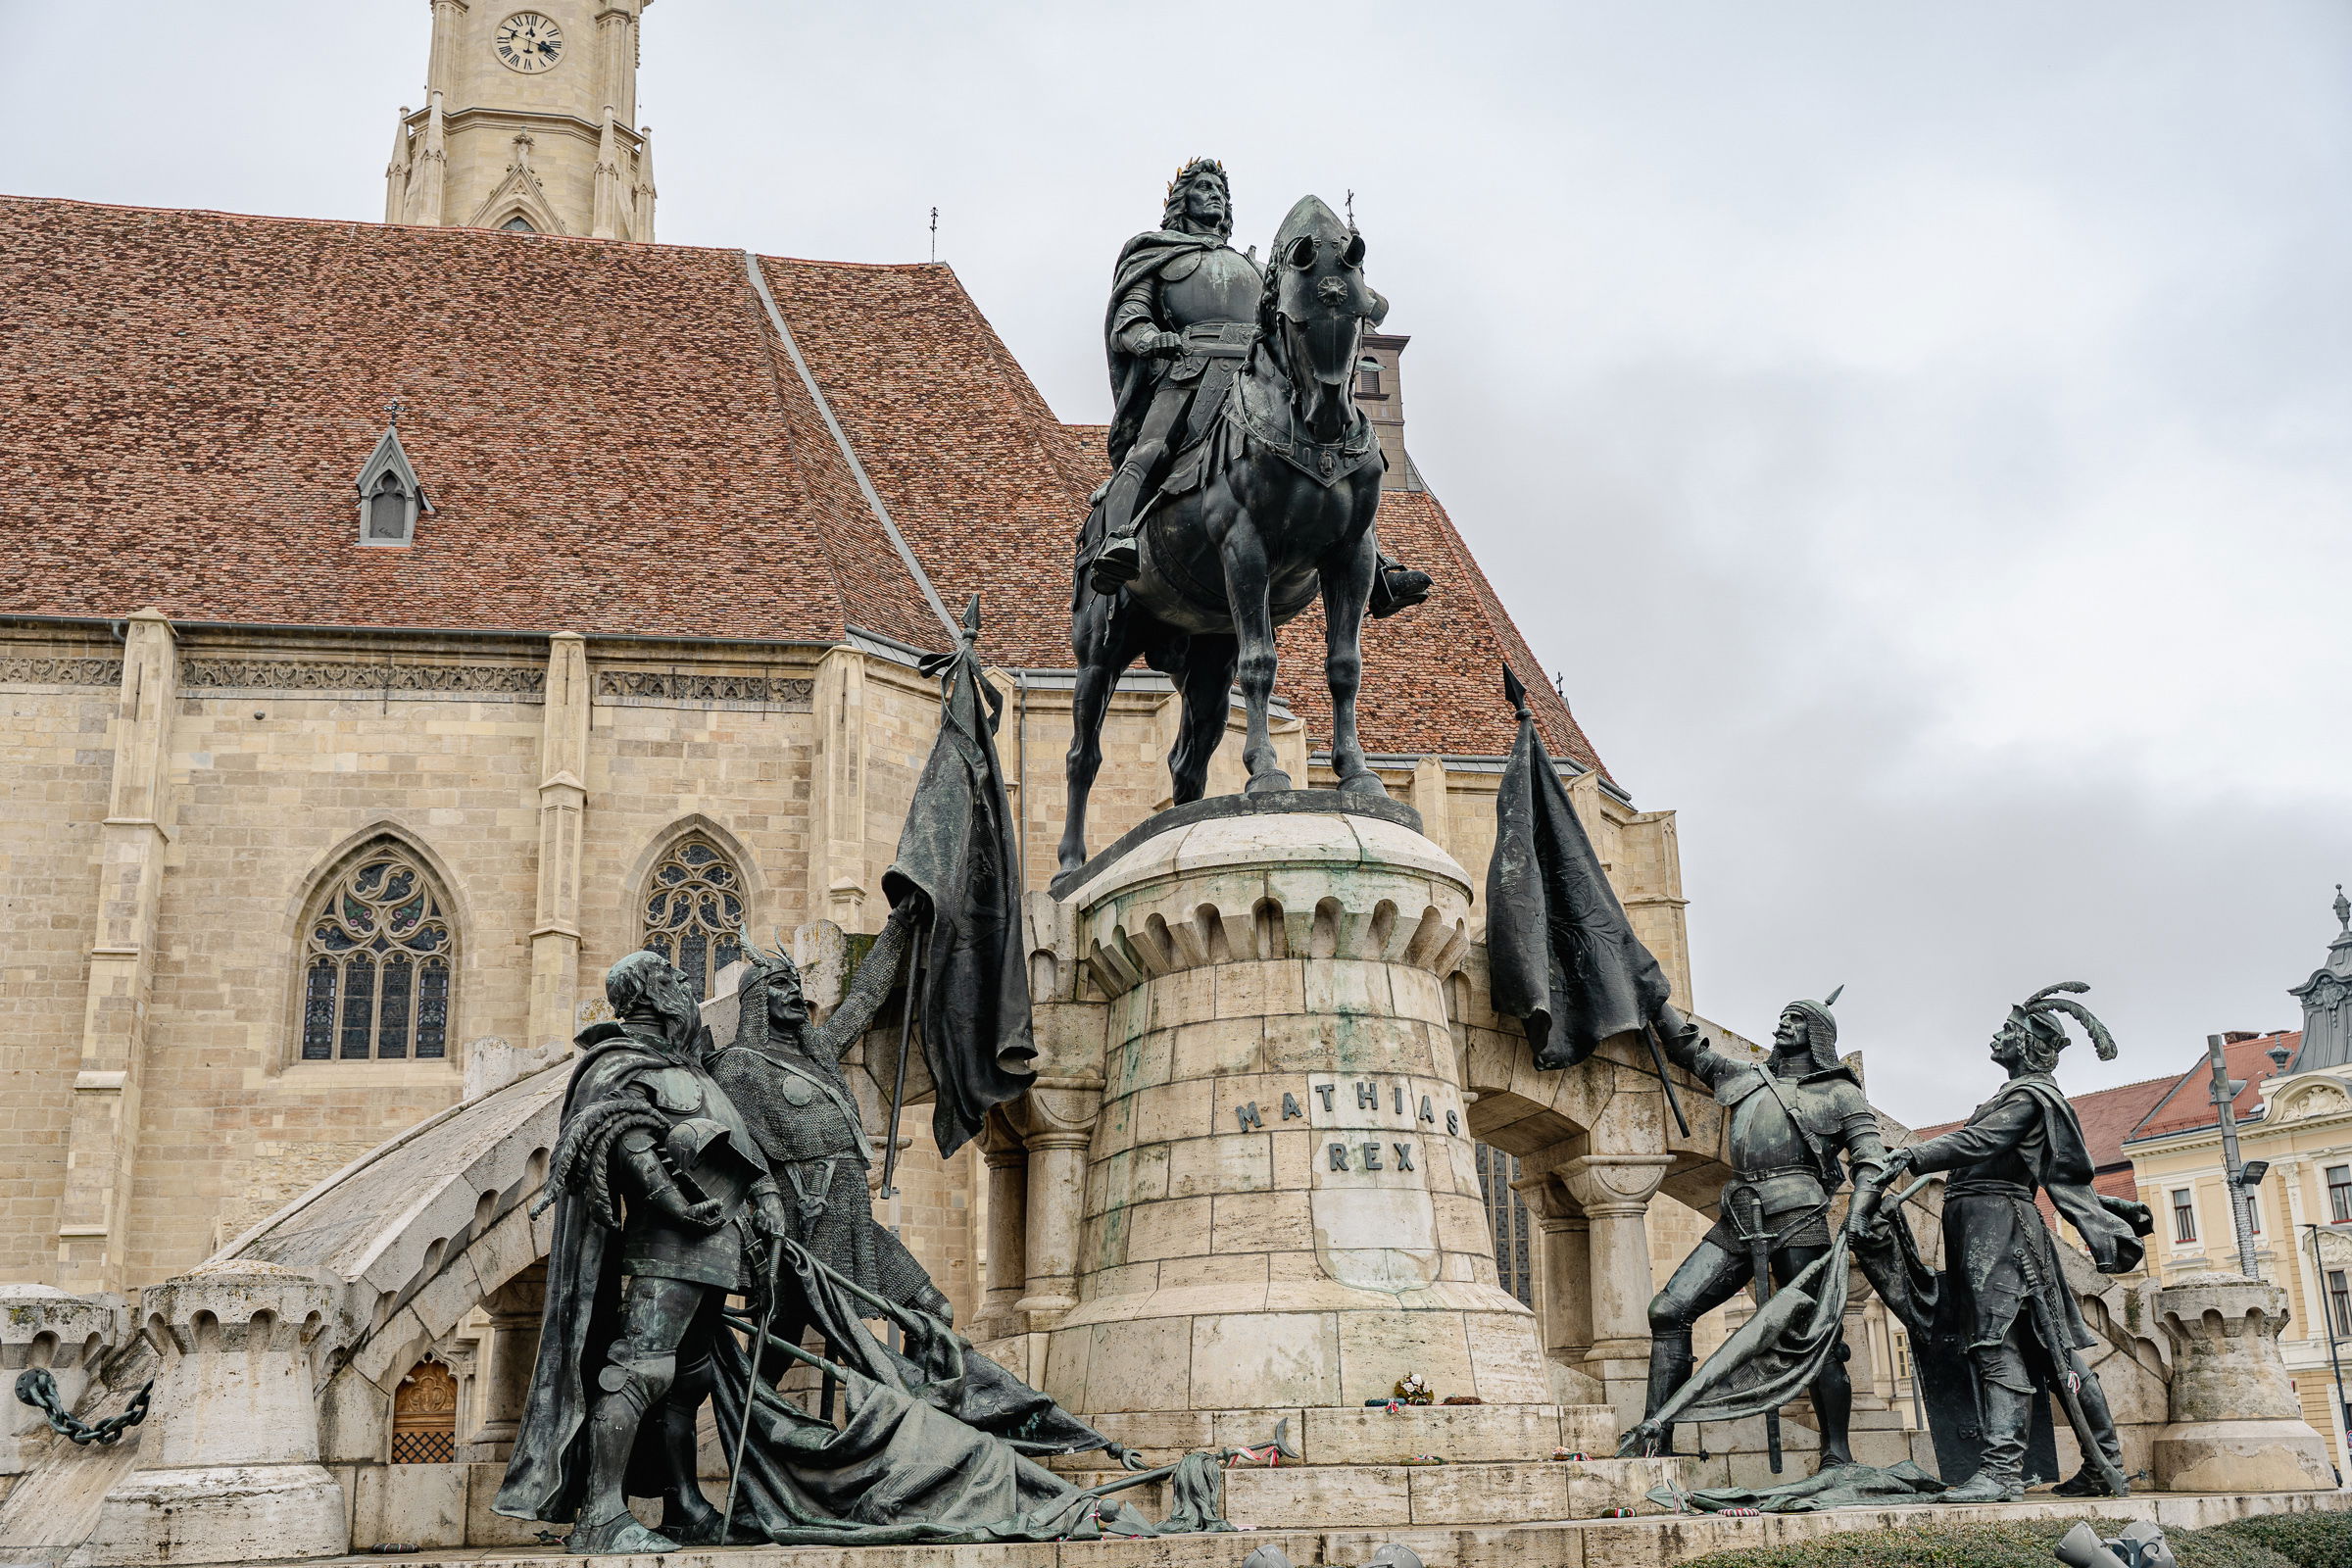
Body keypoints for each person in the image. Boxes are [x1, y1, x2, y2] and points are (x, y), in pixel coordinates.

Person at [495, 950, 790, 1553]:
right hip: (669, 1243)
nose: (687, 985)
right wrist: (672, 1201)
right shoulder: (620, 1062)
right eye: (676, 978)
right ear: (652, 993)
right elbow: (619, 1130)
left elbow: (740, 1146)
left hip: (718, 1243)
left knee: (689, 1379)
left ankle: (683, 1506)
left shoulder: (689, 1068)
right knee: (640, 1367)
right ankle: (601, 1514)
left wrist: (764, 1195)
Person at [1851, 983, 2152, 1502]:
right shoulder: (2016, 1096)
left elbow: (1980, 1143)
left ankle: (2002, 1471)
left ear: (2028, 1045)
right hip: (1984, 1226)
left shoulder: (2030, 1097)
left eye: (2007, 1031)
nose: (1997, 1036)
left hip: (2001, 1228)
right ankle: (2106, 1465)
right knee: (2052, 1350)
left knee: (1999, 1345)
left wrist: (1915, 1156)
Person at [1086, 158, 1427, 613]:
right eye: (1204, 187)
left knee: (1341, 452)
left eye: (1221, 190)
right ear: (1180, 200)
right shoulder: (1158, 254)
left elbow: (1298, 296)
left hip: (1256, 374)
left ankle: (1375, 566)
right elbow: (1128, 322)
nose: (1215, 196)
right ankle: (1117, 543)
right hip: (1189, 372)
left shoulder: (1252, 264)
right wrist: (1153, 339)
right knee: (1148, 453)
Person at [1634, 993, 1887, 1465]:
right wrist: (1654, 998)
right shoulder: (1745, 1078)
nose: (1783, 1023)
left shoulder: (1840, 1094)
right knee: (1669, 1311)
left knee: (1815, 1334)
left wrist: (1860, 1210)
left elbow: (1871, 1158)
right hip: (1740, 1214)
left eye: (1796, 1019)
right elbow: (1689, 1051)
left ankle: (1838, 1455)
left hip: (1800, 1216)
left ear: (1817, 1035)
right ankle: (1657, 1441)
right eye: (1783, 1016)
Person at [710, 902, 951, 1322]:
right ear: (756, 1000)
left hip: (853, 1207)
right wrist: (765, 1197)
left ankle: (926, 1386)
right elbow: (740, 1143)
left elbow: (865, 998)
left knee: (934, 1309)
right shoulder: (739, 1064)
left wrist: (898, 923)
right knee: (786, 1340)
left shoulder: (818, 1050)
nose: (796, 993)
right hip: (803, 1216)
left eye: (797, 984)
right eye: (782, 984)